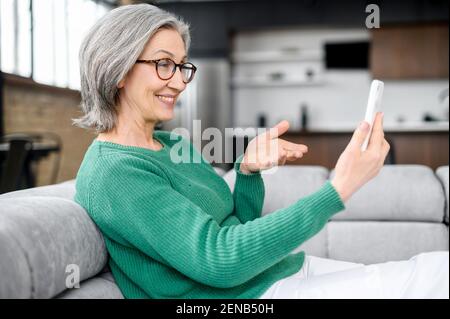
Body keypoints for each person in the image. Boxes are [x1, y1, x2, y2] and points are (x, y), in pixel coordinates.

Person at [73, 4, 449, 299]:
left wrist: (248, 172)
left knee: (436, 271)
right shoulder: (115, 172)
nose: (179, 81)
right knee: (432, 280)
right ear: (118, 69)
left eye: (182, 66)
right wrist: (340, 189)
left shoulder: (171, 144)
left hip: (273, 276)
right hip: (253, 294)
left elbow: (236, 226)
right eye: (163, 64)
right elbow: (219, 259)